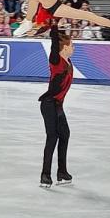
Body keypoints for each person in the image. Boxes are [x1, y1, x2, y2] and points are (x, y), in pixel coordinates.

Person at [38, 23, 75, 188]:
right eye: (72, 45)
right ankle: (45, 175)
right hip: (49, 105)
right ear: (65, 48)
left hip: (58, 105)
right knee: (52, 137)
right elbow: (54, 45)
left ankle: (62, 172)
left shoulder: (68, 62)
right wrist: (53, 27)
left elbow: (60, 39)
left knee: (65, 134)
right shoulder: (56, 61)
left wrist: (60, 28)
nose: (73, 47)